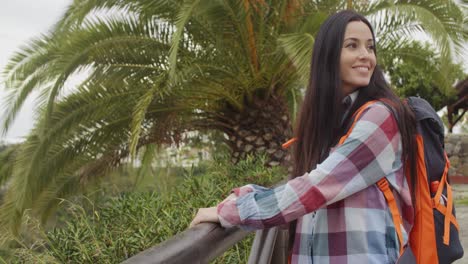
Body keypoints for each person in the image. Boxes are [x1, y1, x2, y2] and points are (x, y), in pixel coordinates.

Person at [190, 10, 417, 264]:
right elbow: (310, 197)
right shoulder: (330, 123)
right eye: (352, 46)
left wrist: (232, 211)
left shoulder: (381, 117)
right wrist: (250, 194)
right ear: (328, 55)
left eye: (370, 47)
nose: (366, 55)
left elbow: (317, 187)